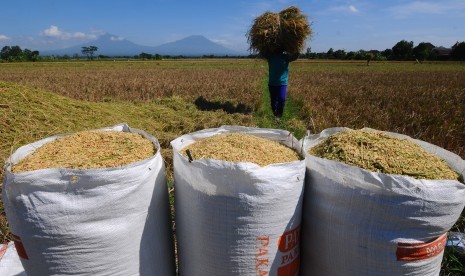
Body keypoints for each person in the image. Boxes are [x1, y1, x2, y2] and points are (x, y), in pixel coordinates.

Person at [265, 51, 299, 119]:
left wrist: (296, 49)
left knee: (282, 98)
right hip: (272, 82)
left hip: (282, 82)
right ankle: (275, 114)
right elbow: (263, 53)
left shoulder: (286, 56)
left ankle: (279, 116)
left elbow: (295, 56)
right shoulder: (270, 56)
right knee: (273, 101)